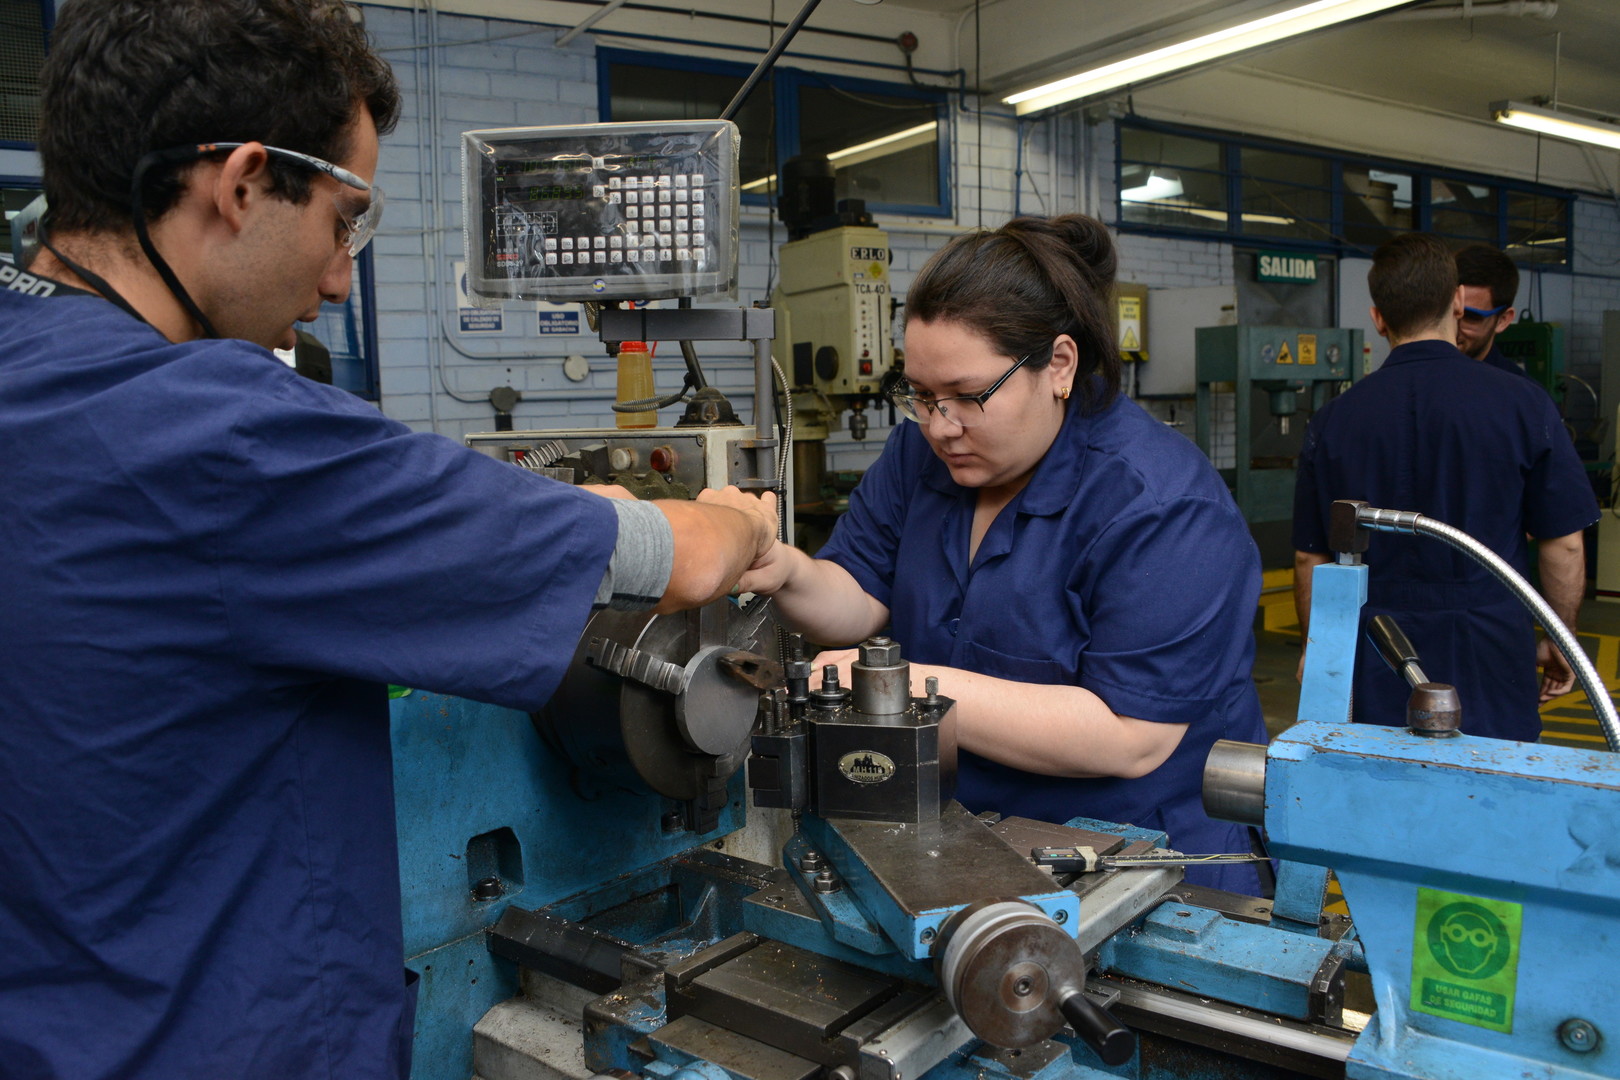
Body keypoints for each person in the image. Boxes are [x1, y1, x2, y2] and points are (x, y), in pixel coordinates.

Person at [0, 3, 775, 1079]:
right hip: (208, 1034)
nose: (335, 281)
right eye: (342, 222)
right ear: (240, 184)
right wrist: (741, 518)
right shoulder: (217, 429)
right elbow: (681, 559)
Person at [738, 214, 1268, 895]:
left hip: (1141, 866)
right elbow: (858, 595)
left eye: (966, 397)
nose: (939, 426)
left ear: (1059, 366)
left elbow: (1129, 735)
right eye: (921, 396)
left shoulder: (1162, 507)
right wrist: (789, 570)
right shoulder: (920, 458)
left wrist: (901, 685)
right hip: (964, 840)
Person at [1292, 233, 1596, 741]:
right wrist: (1562, 642)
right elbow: (1563, 543)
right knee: (1495, 789)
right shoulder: (1524, 405)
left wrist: (1322, 651)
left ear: (1378, 318)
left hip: (1376, 648)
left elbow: (1311, 559)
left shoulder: (1334, 420)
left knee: (1379, 788)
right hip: (1492, 647)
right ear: (1456, 302)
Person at [1454, 242, 1534, 380]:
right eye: (1446, 312)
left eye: (1470, 317)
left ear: (1502, 320)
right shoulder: (1414, 378)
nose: (1451, 328)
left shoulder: (1522, 397)